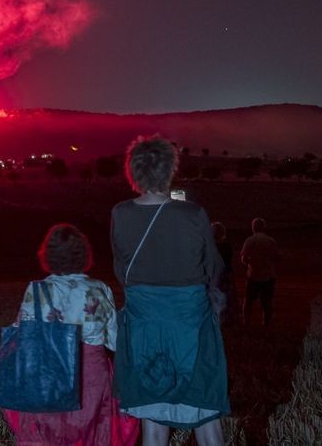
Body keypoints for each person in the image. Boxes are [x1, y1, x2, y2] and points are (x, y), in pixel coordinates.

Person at [111, 136, 228, 446]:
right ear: (169, 170)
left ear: (133, 171)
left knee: (153, 419)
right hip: (192, 326)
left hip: (144, 327)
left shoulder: (120, 214)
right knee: (206, 415)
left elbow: (121, 270)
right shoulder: (192, 214)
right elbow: (213, 268)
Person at [3, 224, 139, 446]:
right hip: (90, 373)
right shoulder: (98, 289)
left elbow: (21, 334)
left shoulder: (37, 290)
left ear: (48, 255)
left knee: (47, 431)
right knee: (91, 432)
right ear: (83, 254)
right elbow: (114, 340)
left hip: (48, 371)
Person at [240, 217, 279, 326]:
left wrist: (250, 263)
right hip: (268, 274)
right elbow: (276, 256)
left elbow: (244, 258)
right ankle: (266, 323)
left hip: (253, 274)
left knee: (248, 300)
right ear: (264, 227)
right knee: (267, 301)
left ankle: (247, 321)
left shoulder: (249, 240)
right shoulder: (270, 240)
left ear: (253, 228)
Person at [212, 223, 236, 325]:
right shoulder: (226, 246)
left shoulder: (210, 246)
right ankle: (227, 319)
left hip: (214, 274)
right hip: (225, 273)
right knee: (227, 298)